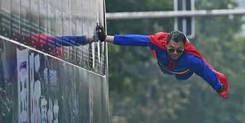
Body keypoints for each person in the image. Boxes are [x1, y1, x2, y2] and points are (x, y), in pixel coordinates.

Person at [95, 25, 228, 98]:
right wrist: (106, 37)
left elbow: (206, 73)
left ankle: (183, 58)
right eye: (171, 49)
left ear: (184, 49)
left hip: (183, 72)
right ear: (166, 45)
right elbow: (133, 40)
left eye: (179, 50)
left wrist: (217, 86)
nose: (175, 53)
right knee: (151, 41)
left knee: (191, 70)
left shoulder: (191, 60)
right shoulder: (158, 44)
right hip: (164, 67)